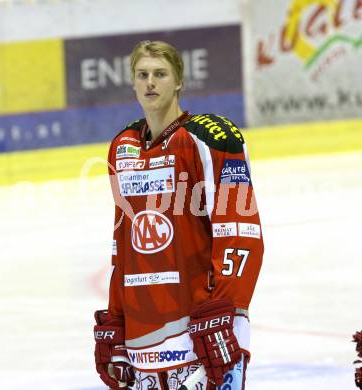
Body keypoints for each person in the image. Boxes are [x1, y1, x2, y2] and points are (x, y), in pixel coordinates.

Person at [93, 40, 264, 390]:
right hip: (143, 341)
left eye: (160, 74)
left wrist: (224, 312)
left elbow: (241, 232)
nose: (150, 83)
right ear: (133, 81)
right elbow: (122, 244)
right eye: (142, 75)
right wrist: (116, 318)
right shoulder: (122, 145)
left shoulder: (210, 137)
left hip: (204, 332)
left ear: (179, 81)